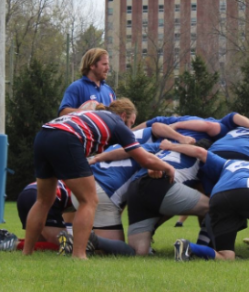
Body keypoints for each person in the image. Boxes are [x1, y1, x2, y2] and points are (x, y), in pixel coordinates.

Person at [22, 99, 175, 259]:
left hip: (44, 135)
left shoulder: (92, 115)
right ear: (123, 116)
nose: (130, 128)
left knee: (43, 201)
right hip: (66, 138)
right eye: (130, 123)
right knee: (88, 200)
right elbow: (144, 158)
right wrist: (167, 167)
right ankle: (79, 255)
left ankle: (27, 252)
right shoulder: (117, 124)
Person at [169, 146, 249, 261]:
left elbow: (201, 152)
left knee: (226, 257)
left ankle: (188, 246)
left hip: (218, 198)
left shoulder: (230, 162)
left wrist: (170, 145)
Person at [124, 139, 212, 256]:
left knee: (138, 252)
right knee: (216, 207)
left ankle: (96, 240)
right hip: (161, 184)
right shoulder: (200, 157)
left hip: (135, 189)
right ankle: (203, 249)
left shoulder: (165, 149)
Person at [58, 48, 116, 116]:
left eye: (108, 64)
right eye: (104, 64)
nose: (108, 68)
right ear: (92, 65)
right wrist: (87, 113)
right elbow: (62, 113)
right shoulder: (77, 87)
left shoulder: (109, 90)